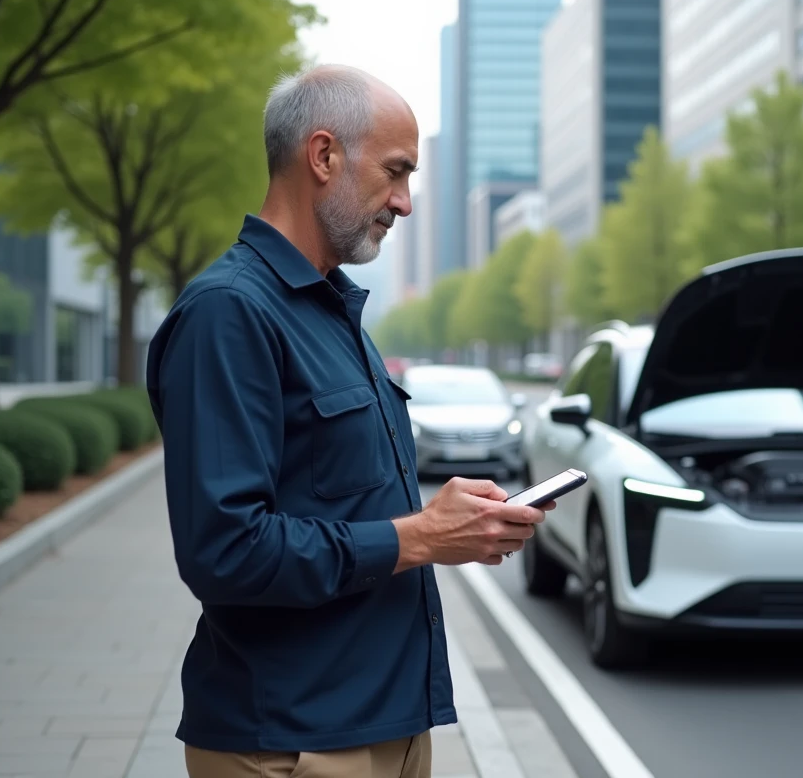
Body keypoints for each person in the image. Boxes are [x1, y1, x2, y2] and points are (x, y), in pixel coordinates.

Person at [145, 64, 553, 778]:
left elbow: (331, 503)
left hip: (384, 726)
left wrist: (445, 526)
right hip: (289, 745)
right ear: (323, 155)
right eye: (396, 172)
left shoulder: (334, 311)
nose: (406, 202)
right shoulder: (229, 313)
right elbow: (224, 550)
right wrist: (418, 537)